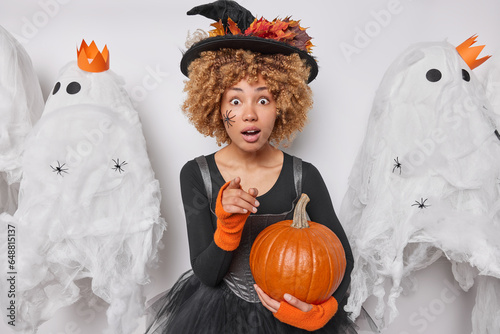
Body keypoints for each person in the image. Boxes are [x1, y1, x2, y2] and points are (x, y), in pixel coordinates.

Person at [146, 1, 357, 333]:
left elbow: (342, 261)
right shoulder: (197, 174)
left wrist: (324, 310)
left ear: (283, 106)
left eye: (263, 99)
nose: (249, 114)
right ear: (214, 105)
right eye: (235, 100)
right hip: (216, 318)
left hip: (289, 320)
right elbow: (208, 275)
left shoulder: (304, 176)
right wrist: (228, 228)